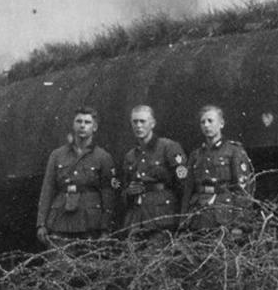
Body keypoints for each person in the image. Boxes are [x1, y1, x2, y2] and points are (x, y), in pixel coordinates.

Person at [35, 106, 117, 245]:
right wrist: (41, 223)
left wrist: (105, 228)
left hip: (90, 223)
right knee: (58, 264)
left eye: (87, 122)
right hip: (61, 221)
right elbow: (47, 190)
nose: (82, 126)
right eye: (79, 121)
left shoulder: (103, 157)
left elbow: (108, 194)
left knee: (89, 264)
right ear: (73, 125)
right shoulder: (57, 155)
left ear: (95, 127)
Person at [184, 104, 255, 233]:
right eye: (203, 122)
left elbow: (243, 191)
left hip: (224, 217)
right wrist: (184, 222)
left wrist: (240, 225)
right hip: (199, 217)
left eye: (210, 121)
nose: (206, 125)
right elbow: (188, 190)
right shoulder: (196, 155)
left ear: (221, 124)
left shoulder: (234, 151)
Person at [118, 104, 189, 234]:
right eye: (135, 122)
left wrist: (182, 219)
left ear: (152, 123)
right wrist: (129, 192)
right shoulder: (130, 156)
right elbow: (123, 188)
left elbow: (183, 185)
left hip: (162, 218)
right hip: (136, 219)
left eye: (142, 121)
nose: (138, 126)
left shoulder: (168, 147)